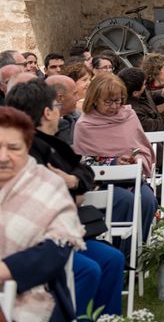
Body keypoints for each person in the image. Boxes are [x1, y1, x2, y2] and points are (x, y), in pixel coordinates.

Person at [5, 80, 124, 318]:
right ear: (47, 112)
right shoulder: (28, 150)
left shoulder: (52, 143)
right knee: (87, 270)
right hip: (33, 241)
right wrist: (72, 188)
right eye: (56, 104)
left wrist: (72, 182)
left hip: (64, 233)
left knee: (112, 258)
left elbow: (84, 172)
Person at [0, 106, 85, 322]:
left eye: (13, 148)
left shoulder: (49, 186)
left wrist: (5, 269)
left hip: (38, 295)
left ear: (27, 147)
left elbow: (56, 250)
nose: (3, 157)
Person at [73, 73, 158, 246]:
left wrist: (137, 160)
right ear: (95, 99)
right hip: (99, 183)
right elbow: (82, 161)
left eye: (118, 100)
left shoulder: (129, 116)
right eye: (108, 101)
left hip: (130, 179)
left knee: (148, 200)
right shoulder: (85, 125)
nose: (114, 106)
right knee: (124, 200)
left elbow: (142, 148)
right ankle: (120, 254)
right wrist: (113, 162)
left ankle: (137, 250)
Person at [45, 75, 80, 146]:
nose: (78, 98)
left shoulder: (79, 117)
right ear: (60, 98)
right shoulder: (42, 127)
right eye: (74, 94)